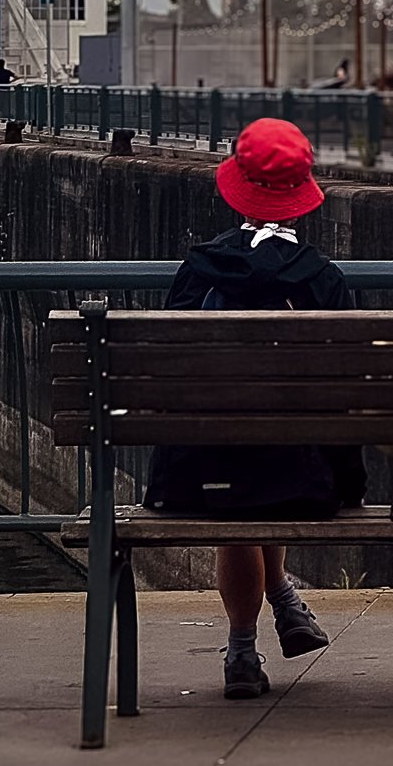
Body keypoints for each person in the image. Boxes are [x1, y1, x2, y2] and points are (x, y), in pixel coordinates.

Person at [146, 117, 345, 700]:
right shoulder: (323, 280)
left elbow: (168, 375)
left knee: (233, 461)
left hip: (195, 473)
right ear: (301, 197)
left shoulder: (196, 271)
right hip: (303, 476)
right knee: (269, 451)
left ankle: (240, 649)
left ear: (235, 187)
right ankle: (282, 597)